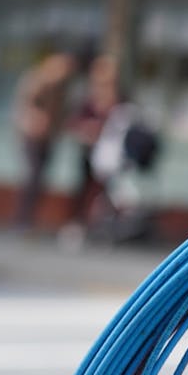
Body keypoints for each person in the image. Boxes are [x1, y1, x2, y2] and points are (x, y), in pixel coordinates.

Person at [60, 53, 122, 246]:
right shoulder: (88, 99)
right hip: (88, 150)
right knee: (83, 189)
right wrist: (87, 129)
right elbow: (73, 121)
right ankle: (77, 225)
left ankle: (103, 229)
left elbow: (126, 120)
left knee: (106, 193)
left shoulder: (118, 98)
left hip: (110, 155)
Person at [11, 51, 76, 229]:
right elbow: (27, 105)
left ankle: (30, 217)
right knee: (33, 176)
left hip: (49, 136)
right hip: (31, 135)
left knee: (40, 178)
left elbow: (63, 111)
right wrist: (35, 121)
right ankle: (22, 218)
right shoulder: (38, 81)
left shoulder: (62, 88)